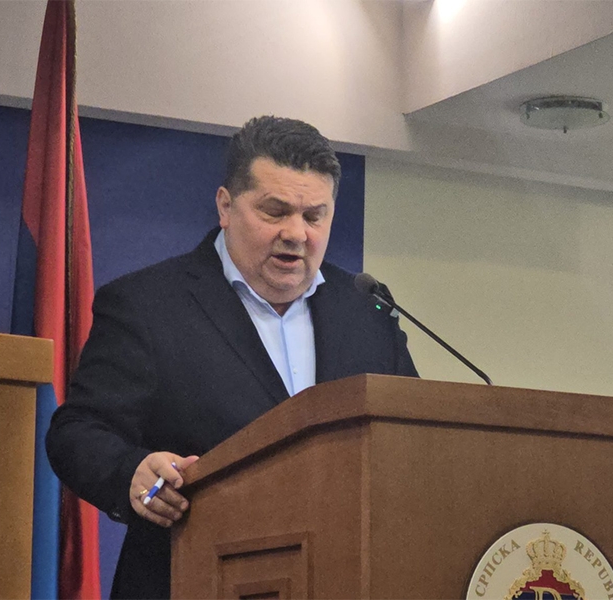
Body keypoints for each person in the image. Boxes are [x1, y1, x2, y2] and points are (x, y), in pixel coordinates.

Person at [46, 116, 418, 598]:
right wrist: (132, 471)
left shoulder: (367, 310)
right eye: (275, 211)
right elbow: (77, 431)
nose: (296, 233)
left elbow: (411, 437)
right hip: (190, 579)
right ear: (225, 206)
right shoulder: (147, 305)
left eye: (314, 216)